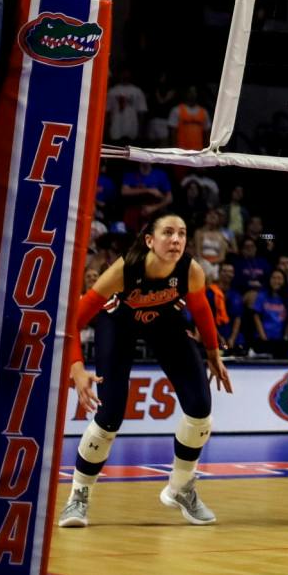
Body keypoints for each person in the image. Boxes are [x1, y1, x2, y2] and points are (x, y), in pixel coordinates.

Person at [59, 210, 232, 527]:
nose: (176, 239)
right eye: (168, 232)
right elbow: (72, 322)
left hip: (164, 323)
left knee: (200, 409)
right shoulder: (123, 270)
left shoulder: (190, 270)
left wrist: (212, 352)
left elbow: (201, 309)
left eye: (181, 233)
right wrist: (76, 367)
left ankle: (180, 488)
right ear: (150, 240)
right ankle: (78, 497)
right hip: (118, 325)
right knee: (109, 417)